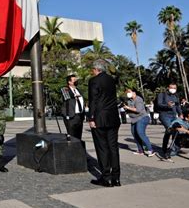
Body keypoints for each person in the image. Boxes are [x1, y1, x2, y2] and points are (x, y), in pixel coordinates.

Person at [88, 59, 121, 187]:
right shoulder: (111, 80)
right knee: (113, 148)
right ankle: (116, 178)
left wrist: (91, 118)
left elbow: (93, 100)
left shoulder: (93, 81)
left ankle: (106, 177)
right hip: (113, 117)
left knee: (102, 148)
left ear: (96, 69)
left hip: (100, 118)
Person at [123, 88, 154, 157]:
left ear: (134, 92)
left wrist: (128, 108)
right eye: (127, 92)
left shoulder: (138, 99)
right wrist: (125, 108)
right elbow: (130, 110)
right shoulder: (129, 100)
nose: (127, 93)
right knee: (135, 134)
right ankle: (140, 150)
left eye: (129, 92)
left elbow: (138, 110)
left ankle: (150, 150)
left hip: (142, 118)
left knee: (140, 133)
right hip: (134, 119)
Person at [155, 83, 182, 160]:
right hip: (164, 115)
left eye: (175, 88)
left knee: (171, 131)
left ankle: (169, 148)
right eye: (171, 87)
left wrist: (180, 113)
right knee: (171, 129)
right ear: (168, 88)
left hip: (173, 116)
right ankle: (167, 151)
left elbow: (177, 106)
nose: (173, 89)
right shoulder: (162, 94)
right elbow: (159, 104)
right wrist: (167, 105)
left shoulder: (176, 96)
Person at [60, 74, 85, 140]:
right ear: (69, 82)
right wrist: (75, 96)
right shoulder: (65, 89)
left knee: (78, 136)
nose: (76, 81)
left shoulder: (78, 90)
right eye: (74, 80)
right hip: (71, 116)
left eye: (76, 79)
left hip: (80, 116)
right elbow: (66, 97)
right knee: (72, 136)